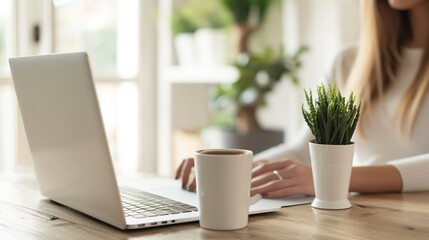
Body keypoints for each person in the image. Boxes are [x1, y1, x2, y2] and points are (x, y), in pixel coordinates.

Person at [175, 0, 429, 198]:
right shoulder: (349, 63)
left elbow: (316, 172)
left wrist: (331, 179)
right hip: (363, 218)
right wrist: (227, 168)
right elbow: (304, 151)